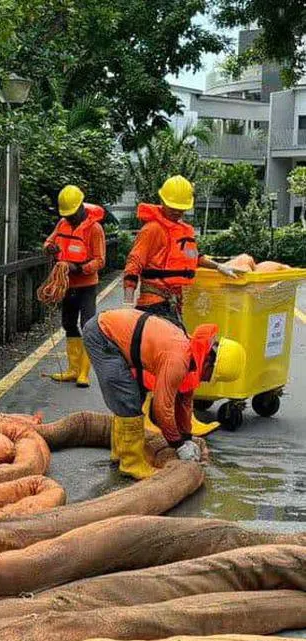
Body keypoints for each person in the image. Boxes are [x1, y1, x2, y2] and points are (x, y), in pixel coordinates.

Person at [81, 308, 245, 480]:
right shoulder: (178, 360)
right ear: (210, 363)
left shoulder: (194, 354)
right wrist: (178, 444)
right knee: (128, 400)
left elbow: (183, 402)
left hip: (118, 335)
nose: (208, 379)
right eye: (212, 375)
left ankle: (120, 453)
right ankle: (131, 464)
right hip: (103, 335)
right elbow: (162, 409)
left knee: (134, 396)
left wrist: (187, 436)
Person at [123, 175, 240, 327]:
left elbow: (193, 258)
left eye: (181, 209)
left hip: (174, 301)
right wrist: (128, 302)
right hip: (154, 302)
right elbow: (134, 263)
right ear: (162, 201)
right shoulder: (152, 229)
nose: (177, 212)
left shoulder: (182, 231)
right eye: (173, 207)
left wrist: (219, 267)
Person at [43, 184, 106, 387]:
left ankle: (84, 373)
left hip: (86, 284)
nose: (69, 218)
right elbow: (48, 242)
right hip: (67, 284)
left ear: (81, 207)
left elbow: (100, 260)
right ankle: (72, 369)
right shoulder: (62, 223)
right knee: (69, 324)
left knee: (88, 325)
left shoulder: (94, 229)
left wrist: (78, 268)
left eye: (72, 214)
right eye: (66, 214)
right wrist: (50, 248)